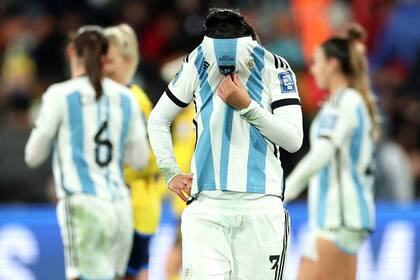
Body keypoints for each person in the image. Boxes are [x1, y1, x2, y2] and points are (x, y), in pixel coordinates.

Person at [148, 8, 303, 280]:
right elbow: (157, 120)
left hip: (259, 208)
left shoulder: (273, 67)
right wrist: (170, 171)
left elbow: (293, 139)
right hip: (208, 207)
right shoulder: (197, 62)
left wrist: (247, 107)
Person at [25, 25, 150, 280]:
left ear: (72, 52)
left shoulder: (60, 95)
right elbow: (140, 160)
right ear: (105, 58)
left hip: (83, 205)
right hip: (121, 209)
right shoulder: (127, 98)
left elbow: (33, 156)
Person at [285, 24, 379, 280]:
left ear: (334, 64)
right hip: (334, 220)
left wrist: (283, 192)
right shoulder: (346, 102)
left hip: (339, 220)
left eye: (317, 62)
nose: (312, 68)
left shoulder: (344, 102)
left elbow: (321, 155)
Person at [103, 23, 167, 280]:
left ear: (128, 61)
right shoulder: (109, 98)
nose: (103, 67)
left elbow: (150, 159)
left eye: (108, 60)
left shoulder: (133, 100)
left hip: (134, 204)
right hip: (120, 203)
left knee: (130, 273)